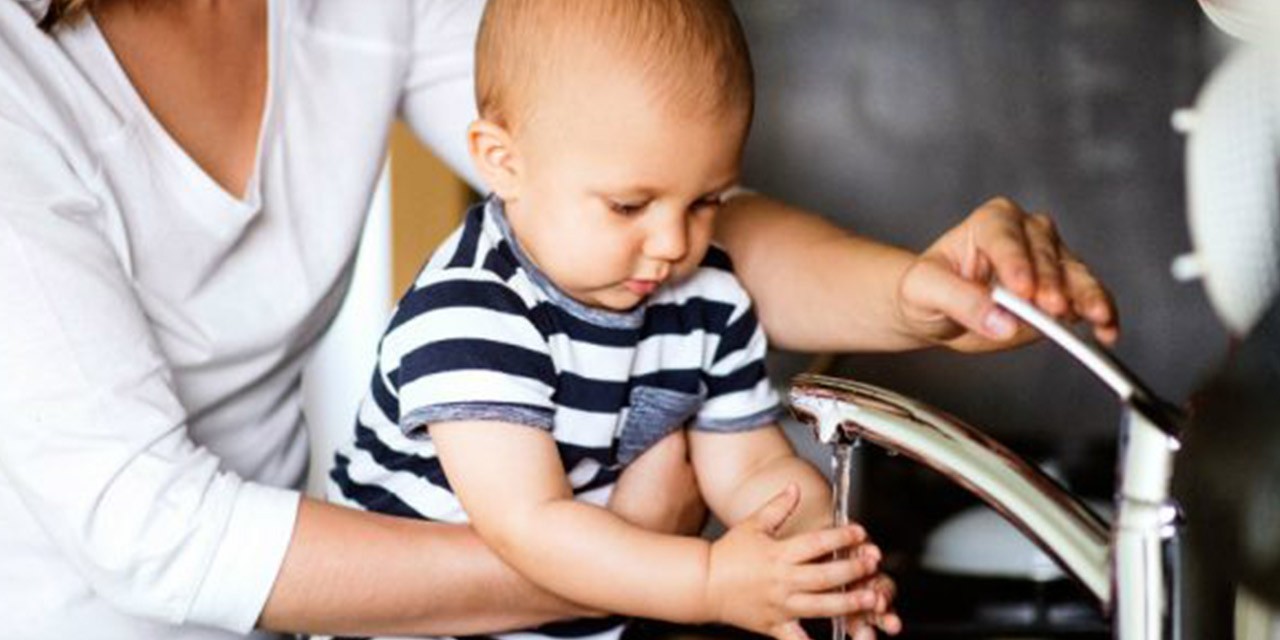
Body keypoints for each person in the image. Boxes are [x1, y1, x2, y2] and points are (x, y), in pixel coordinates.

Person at [0, 0, 1117, 639]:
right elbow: (153, 534)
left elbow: (639, 193)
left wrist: (911, 294)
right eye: (644, 213)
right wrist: (662, 561)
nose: (670, 239)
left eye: (690, 209)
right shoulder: (467, 323)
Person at [329, 3, 896, 640]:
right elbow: (533, 525)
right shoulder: (471, 314)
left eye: (706, 201)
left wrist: (816, 560)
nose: (672, 243)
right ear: (502, 161)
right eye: (630, 206)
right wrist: (710, 580)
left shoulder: (706, 294)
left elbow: (749, 468)